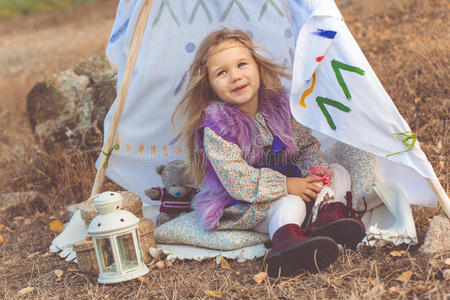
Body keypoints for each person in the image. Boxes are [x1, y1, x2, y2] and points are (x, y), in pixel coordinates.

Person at [173, 28, 365, 277]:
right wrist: (287, 185)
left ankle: (326, 218)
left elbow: (304, 145)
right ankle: (287, 242)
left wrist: (315, 175)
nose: (235, 76)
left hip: (293, 181)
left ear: (257, 67)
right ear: (209, 85)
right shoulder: (217, 128)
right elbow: (238, 181)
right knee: (290, 202)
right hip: (247, 201)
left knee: (336, 172)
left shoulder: (279, 106)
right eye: (222, 72)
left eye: (242, 64)